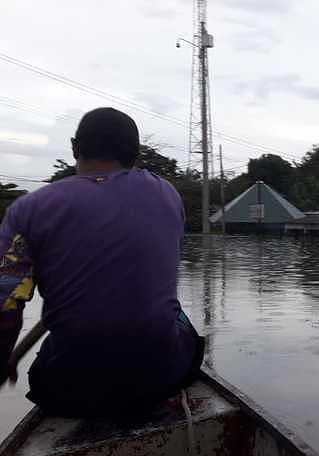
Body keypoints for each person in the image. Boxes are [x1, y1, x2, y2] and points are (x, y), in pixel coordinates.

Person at [0, 107, 203, 416]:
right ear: (135, 155)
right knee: (180, 318)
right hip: (162, 374)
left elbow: (5, 305)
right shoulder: (168, 194)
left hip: (67, 386)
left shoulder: (29, 209)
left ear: (74, 147)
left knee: (53, 356)